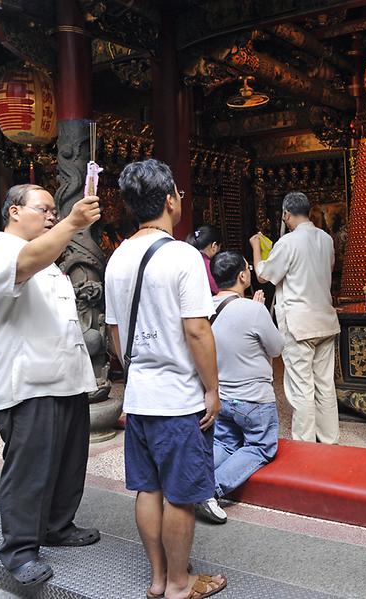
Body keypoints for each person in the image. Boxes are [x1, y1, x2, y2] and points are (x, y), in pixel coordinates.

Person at [104, 159, 226, 599]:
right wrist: (212, 390)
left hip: (139, 398)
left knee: (147, 488)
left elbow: (117, 335)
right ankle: (179, 582)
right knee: (180, 493)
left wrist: (141, 372)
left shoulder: (116, 258)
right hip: (178, 399)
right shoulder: (183, 255)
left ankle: (158, 577)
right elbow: (197, 329)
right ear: (171, 199)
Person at [0, 184, 102, 586]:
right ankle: (19, 550)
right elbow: (25, 262)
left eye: (54, 211)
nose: (50, 215)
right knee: (28, 469)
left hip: (65, 378)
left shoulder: (48, 260)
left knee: (68, 460)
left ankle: (58, 526)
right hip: (28, 381)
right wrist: (71, 222)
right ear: (14, 211)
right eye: (43, 209)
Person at [196, 251, 284, 524]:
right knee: (261, 446)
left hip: (221, 397)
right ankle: (211, 489)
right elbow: (277, 347)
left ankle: (195, 482)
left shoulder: (202, 309)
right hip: (254, 399)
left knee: (226, 441)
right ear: (243, 276)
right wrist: (257, 310)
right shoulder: (253, 309)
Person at [249, 191, 340, 445]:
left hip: (299, 323)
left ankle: (306, 445)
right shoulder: (326, 239)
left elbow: (263, 276)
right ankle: (330, 441)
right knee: (325, 384)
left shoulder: (287, 243)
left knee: (301, 387)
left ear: (286, 214)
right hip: (325, 320)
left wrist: (257, 248)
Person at [185, 224, 223, 295]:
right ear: (214, 246)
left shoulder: (187, 260)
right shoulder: (207, 266)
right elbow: (219, 292)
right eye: (219, 247)